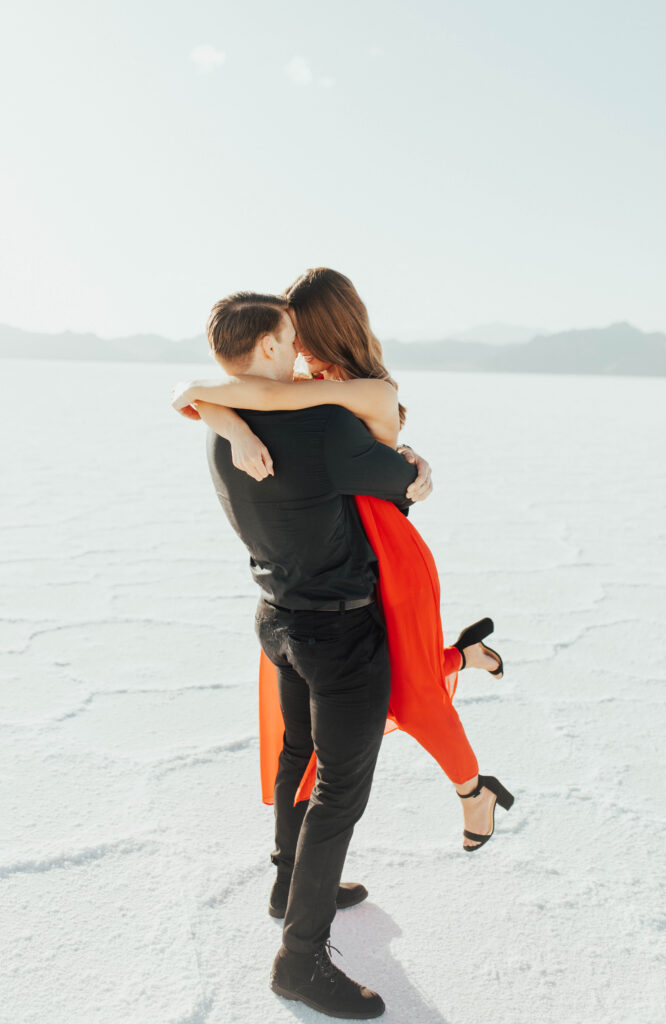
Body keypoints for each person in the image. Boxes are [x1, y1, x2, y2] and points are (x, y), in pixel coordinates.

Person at [173, 269, 514, 855]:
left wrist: (225, 412)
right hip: (344, 546)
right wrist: (228, 424)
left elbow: (229, 392)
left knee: (408, 689)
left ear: (324, 329)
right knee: (388, 667)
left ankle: (472, 791)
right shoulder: (308, 380)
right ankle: (464, 656)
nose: (292, 350)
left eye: (299, 334)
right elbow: (206, 392)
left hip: (386, 547)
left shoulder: (367, 391)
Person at [191, 290, 424, 1018]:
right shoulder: (321, 426)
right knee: (339, 791)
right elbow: (403, 484)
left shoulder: (219, 428)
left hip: (278, 620)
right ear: (265, 346)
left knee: (299, 754)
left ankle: (288, 879)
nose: (299, 350)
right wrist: (410, 464)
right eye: (289, 337)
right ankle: (299, 961)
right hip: (339, 633)